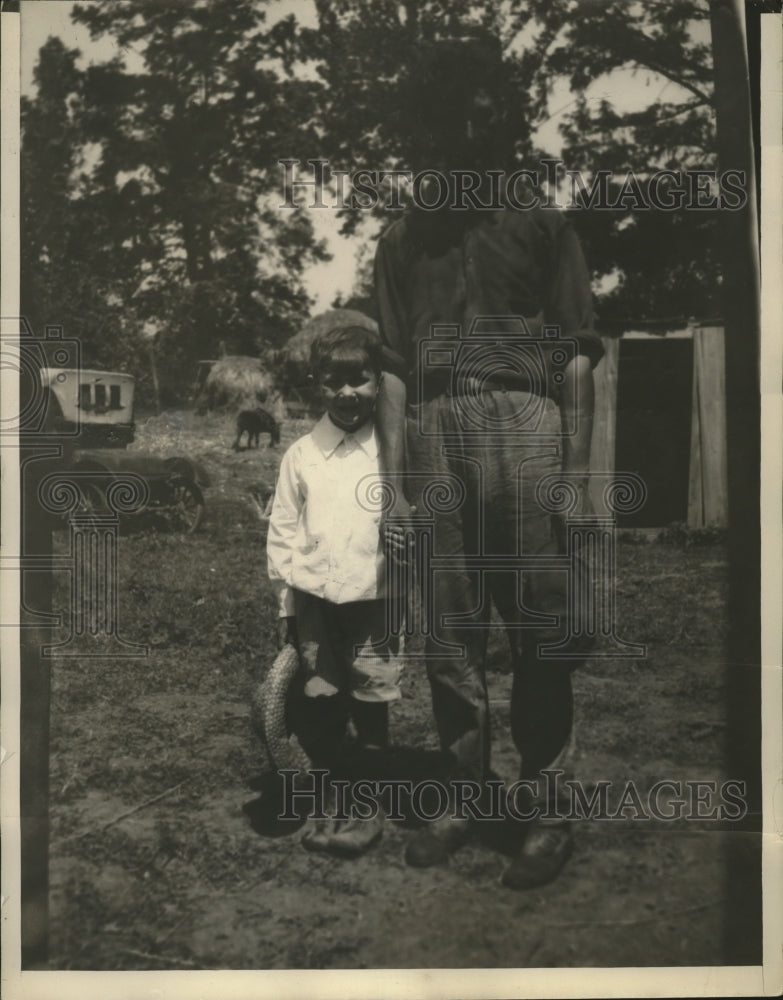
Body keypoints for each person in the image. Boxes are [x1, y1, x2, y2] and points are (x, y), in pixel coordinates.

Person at [373, 35, 604, 888]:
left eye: (476, 115)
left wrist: (574, 483)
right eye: (441, 120)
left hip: (524, 421)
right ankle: (464, 793)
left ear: (500, 124)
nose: (457, 134)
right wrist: (398, 489)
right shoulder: (401, 238)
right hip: (433, 424)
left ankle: (545, 806)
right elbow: (392, 368)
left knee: (539, 621)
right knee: (447, 627)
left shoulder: (542, 224)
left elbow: (577, 353)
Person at [266, 325, 402, 857]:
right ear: (316, 385)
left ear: (379, 383)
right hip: (315, 603)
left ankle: (366, 809)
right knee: (320, 702)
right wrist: (287, 604)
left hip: (375, 601)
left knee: (371, 700)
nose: (348, 393)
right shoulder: (301, 454)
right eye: (334, 381)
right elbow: (281, 529)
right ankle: (326, 799)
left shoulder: (392, 450)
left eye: (360, 380)